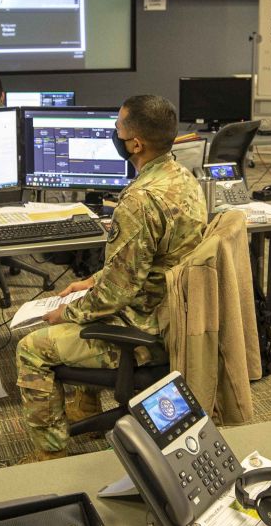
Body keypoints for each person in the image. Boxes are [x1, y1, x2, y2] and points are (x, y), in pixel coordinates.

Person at [13, 95, 206, 462]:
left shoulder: (139, 200)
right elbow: (148, 261)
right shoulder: (182, 179)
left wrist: (65, 313)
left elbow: (114, 298)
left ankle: (50, 453)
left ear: (135, 144)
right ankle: (85, 408)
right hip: (172, 313)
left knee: (31, 348)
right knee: (84, 299)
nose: (113, 133)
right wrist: (93, 280)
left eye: (118, 128)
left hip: (145, 329)